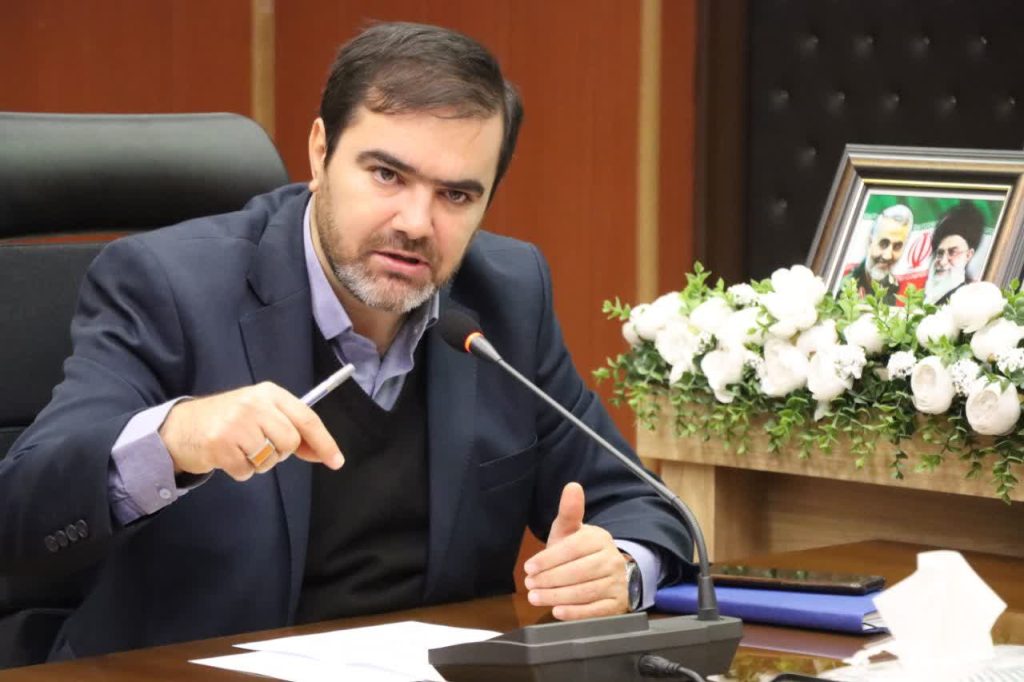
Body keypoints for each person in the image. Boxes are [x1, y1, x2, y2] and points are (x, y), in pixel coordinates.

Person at [0, 22, 691, 666]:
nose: (415, 223)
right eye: (387, 175)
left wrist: (620, 567)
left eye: (456, 196)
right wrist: (175, 437)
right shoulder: (166, 286)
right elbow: (22, 508)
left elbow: (646, 508)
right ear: (320, 152)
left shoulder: (505, 297)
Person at [842, 203, 914, 304]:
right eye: (883, 244)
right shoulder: (844, 286)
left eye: (897, 246)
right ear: (869, 242)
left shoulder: (896, 291)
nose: (888, 255)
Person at [924, 202, 985, 305]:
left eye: (952, 252)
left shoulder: (968, 301)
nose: (942, 262)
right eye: (940, 253)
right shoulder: (925, 296)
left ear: (968, 255)